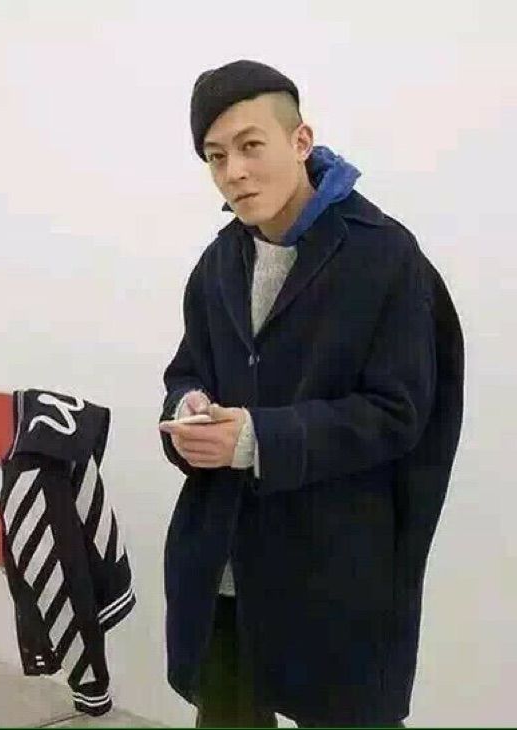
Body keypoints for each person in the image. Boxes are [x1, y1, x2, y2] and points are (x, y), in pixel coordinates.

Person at [158, 59, 464, 728]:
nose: (234, 171)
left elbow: (399, 413)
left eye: (250, 145)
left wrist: (256, 439)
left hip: (336, 577)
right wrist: (187, 410)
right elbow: (187, 371)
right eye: (215, 156)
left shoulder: (385, 258)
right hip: (227, 572)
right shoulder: (219, 262)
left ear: (301, 141)